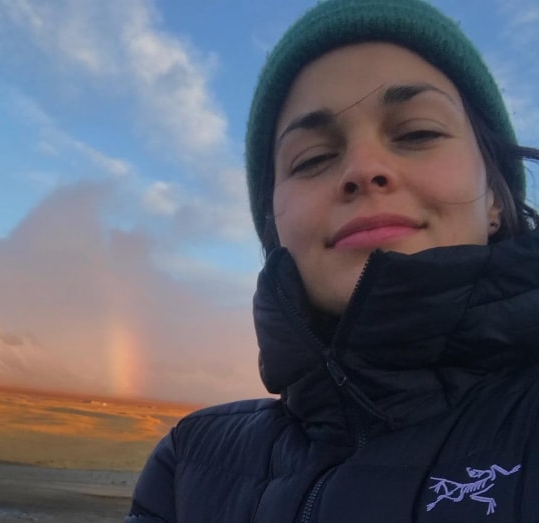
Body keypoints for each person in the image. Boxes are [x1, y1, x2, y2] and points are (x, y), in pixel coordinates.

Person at [126, 0, 539, 521]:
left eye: (417, 133)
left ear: (496, 197)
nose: (364, 168)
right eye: (313, 158)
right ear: (274, 226)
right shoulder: (191, 462)